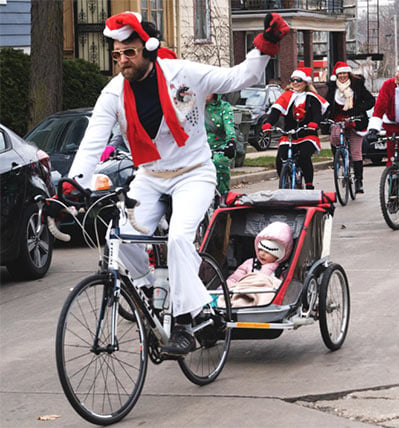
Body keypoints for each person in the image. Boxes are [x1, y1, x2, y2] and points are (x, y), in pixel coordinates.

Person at [66, 11, 290, 356]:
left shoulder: (184, 74)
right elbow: (94, 141)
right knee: (120, 237)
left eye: (130, 52)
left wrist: (265, 45)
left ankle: (189, 321)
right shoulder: (113, 92)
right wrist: (72, 185)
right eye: (116, 55)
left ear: (149, 49)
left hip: (193, 173)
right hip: (151, 176)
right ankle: (148, 292)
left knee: (180, 238)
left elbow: (237, 77)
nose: (122, 61)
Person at [263, 67, 328, 190]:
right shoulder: (286, 96)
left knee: (304, 157)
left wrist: (314, 123)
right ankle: (284, 181)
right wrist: (268, 123)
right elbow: (275, 113)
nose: (295, 83)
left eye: (299, 80)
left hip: (307, 135)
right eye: (293, 80)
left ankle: (309, 185)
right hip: (289, 135)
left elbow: (317, 114)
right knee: (280, 159)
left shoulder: (312, 97)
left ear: (305, 82)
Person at [325, 61, 375, 193]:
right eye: (340, 73)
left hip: (355, 120)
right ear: (336, 75)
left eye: (344, 73)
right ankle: (339, 158)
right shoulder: (332, 88)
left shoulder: (357, 85)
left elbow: (371, 101)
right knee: (334, 138)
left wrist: (358, 109)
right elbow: (327, 104)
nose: (342, 76)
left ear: (348, 73)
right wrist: (325, 117)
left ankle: (359, 181)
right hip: (338, 119)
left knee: (356, 152)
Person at [223, 221, 293, 308]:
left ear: (281, 254)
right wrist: (223, 289)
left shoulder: (283, 269)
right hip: (244, 291)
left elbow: (283, 288)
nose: (262, 254)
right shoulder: (250, 263)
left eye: (268, 251)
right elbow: (235, 278)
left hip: (267, 297)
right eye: (260, 249)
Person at [205, 93, 237, 195]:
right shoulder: (194, 107)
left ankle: (223, 196)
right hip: (200, 148)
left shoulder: (224, 107)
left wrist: (231, 142)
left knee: (219, 162)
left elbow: (229, 126)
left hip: (220, 147)